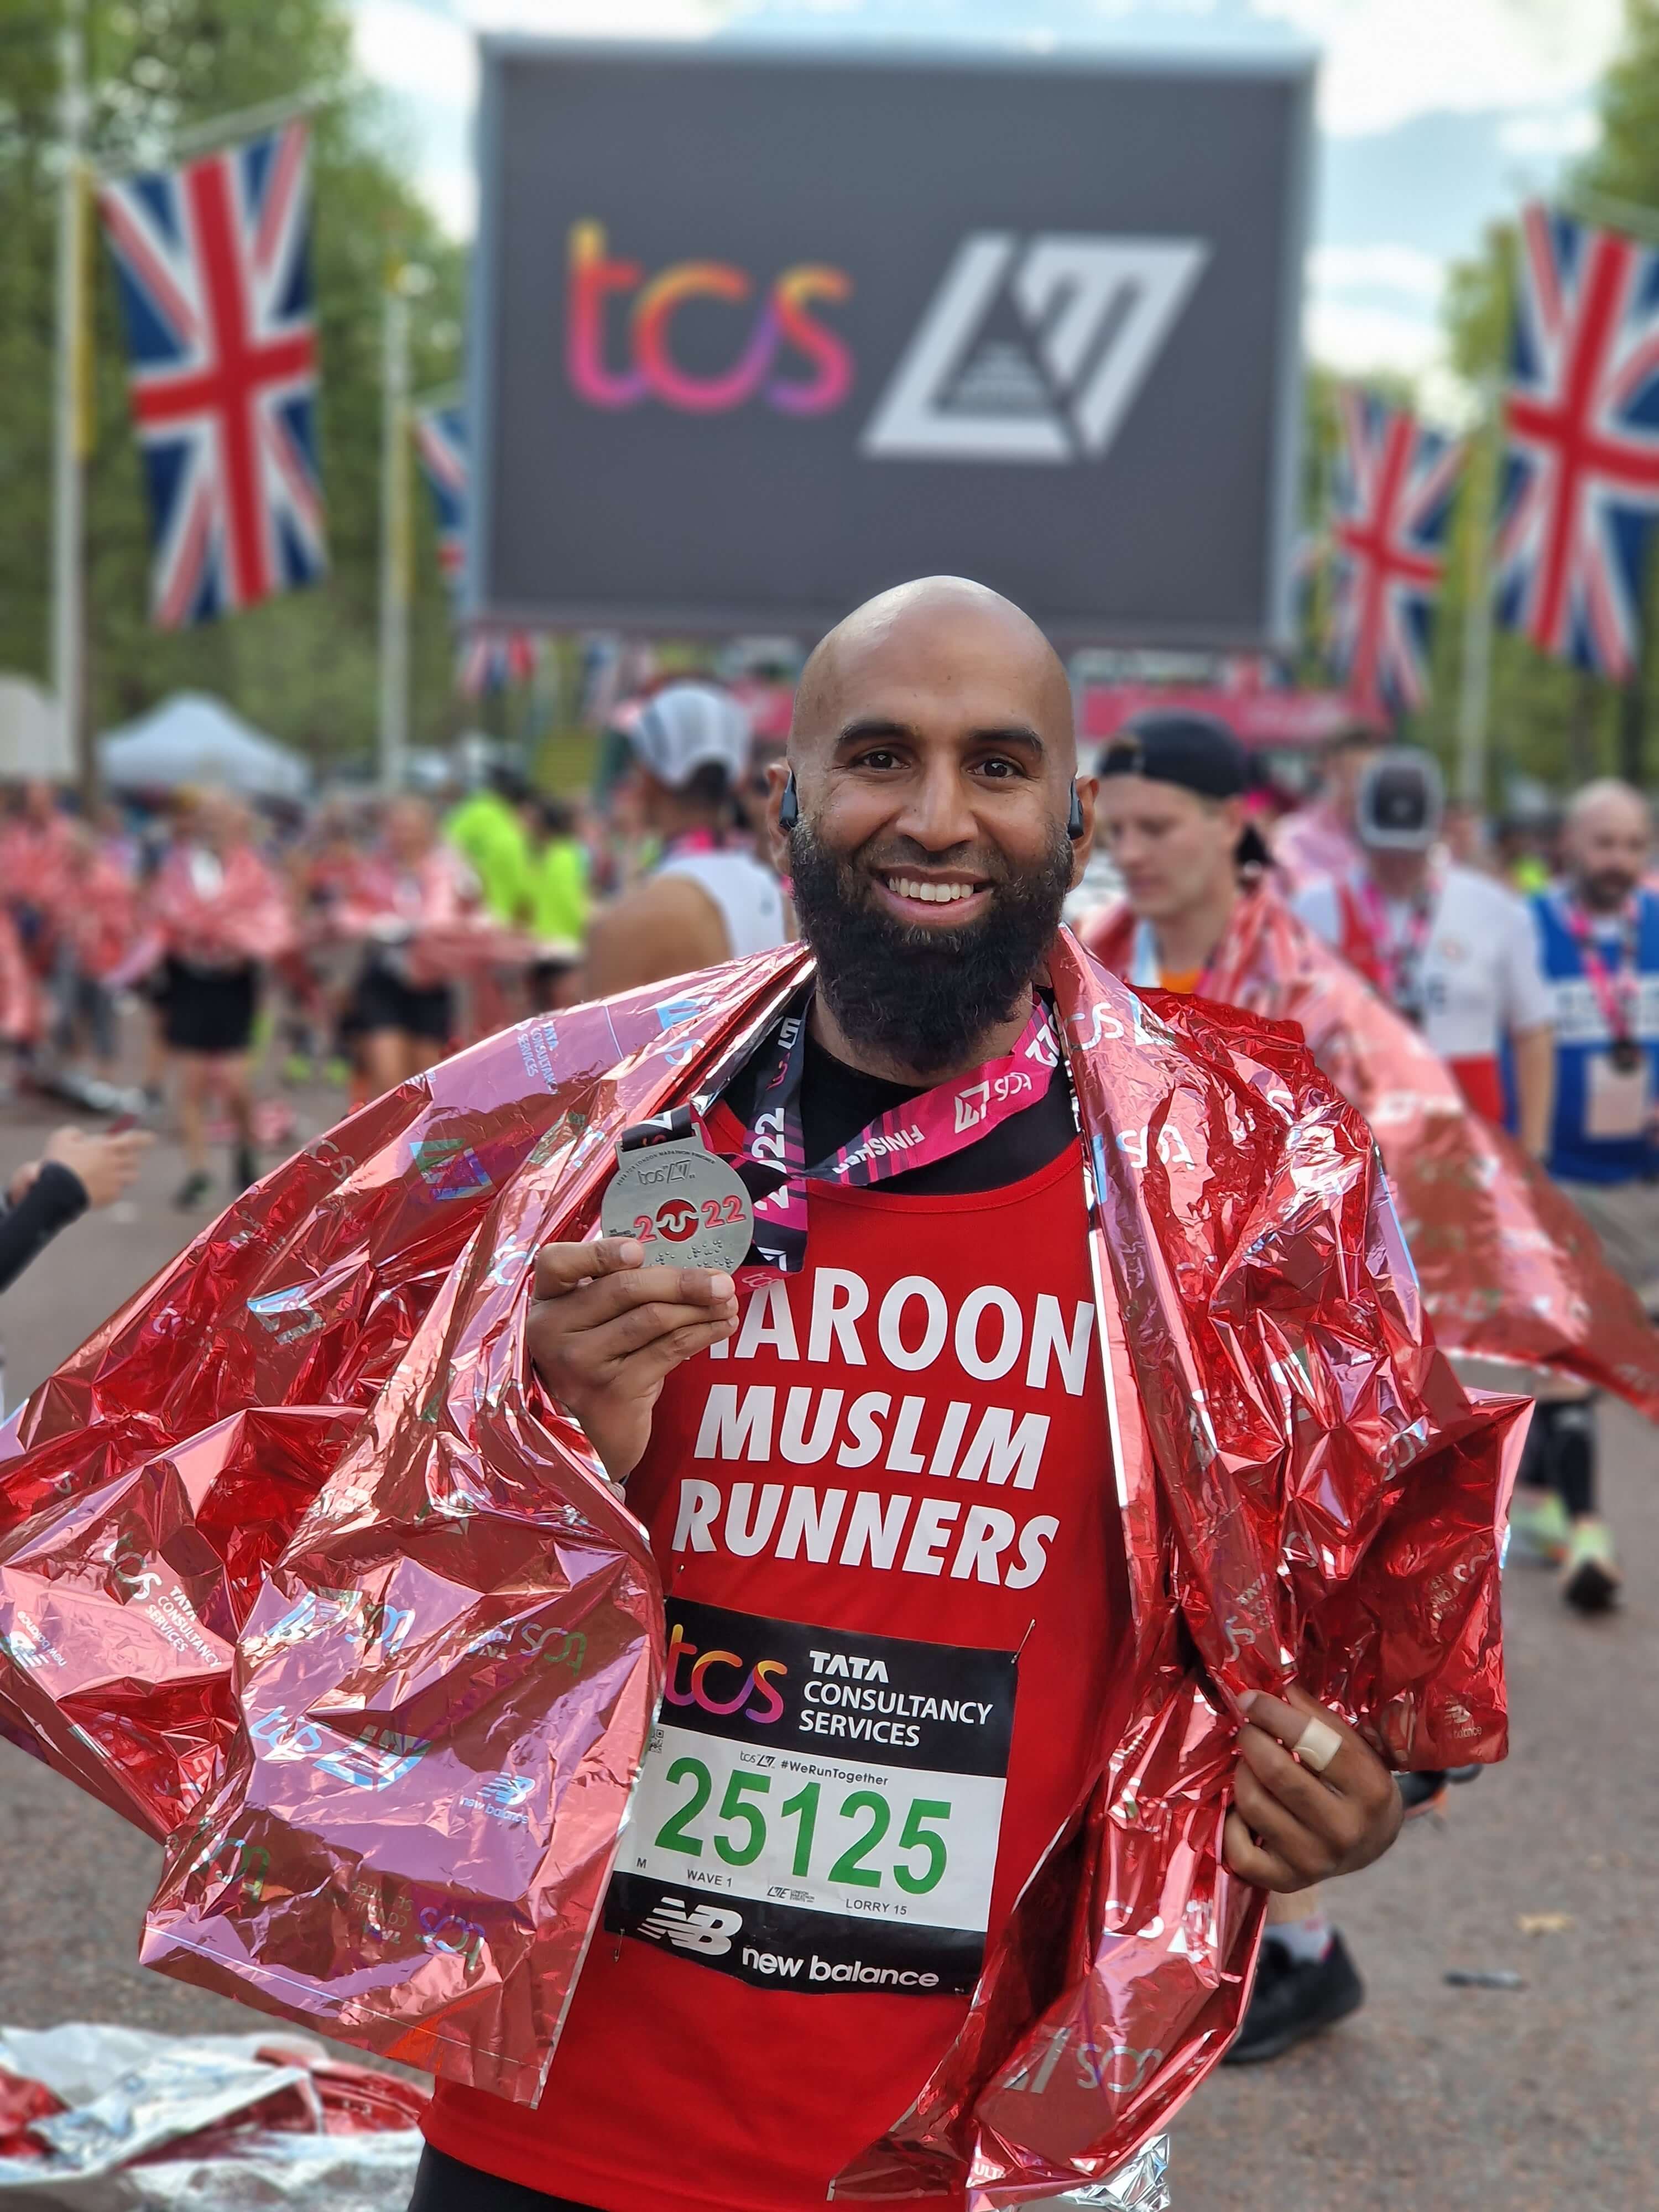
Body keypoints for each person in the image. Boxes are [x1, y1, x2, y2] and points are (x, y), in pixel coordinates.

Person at [403, 581, 1475, 2211]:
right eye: (878, 755)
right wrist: (554, 1457)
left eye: (996, 764)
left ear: (1075, 814)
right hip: (555, 2124)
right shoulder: (587, 1141)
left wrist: (1353, 1798)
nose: (935, 814)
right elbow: (359, 1613)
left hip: (959, 2151)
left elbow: (1353, 1634)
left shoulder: (1224, 1196)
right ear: (788, 798)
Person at [1080, 715, 1461, 2065]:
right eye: (1112, 830)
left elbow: (1376, 1208)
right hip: (1137, 1365)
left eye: (1156, 828)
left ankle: (1292, 1947)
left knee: (1256, 1663)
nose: (1130, 855)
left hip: (1276, 1389)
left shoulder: (1306, 982)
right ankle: (1229, 1933)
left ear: (1234, 821)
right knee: (1157, 1651)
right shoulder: (1104, 957)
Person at [1507, 779, 1659, 1611]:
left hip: (1636, 1186)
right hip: (1553, 1174)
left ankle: (1534, 1505)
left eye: (1633, 846)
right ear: (1568, 845)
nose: (1619, 862)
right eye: (1604, 844)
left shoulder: (1657, 927)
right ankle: (1589, 1534)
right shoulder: (1528, 931)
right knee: (1573, 1354)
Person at [1293, 748, 1556, 1150]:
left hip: (1468, 1145)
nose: (1398, 863)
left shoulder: (1496, 909)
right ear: (1359, 832)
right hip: (1351, 1143)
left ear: (1438, 832)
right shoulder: (1312, 910)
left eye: (1411, 850)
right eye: (1385, 848)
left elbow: (1533, 1028)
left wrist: (1535, 1150)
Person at [581, 682, 790, 995]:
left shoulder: (622, 925)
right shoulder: (786, 905)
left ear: (647, 777)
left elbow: (599, 1044)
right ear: (738, 780)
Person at [149, 791, 295, 1208]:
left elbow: (272, 920)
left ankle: (246, 1152)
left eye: (222, 818)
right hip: (190, 981)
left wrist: (236, 935)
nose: (212, 826)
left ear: (239, 825)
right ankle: (198, 1172)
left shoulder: (256, 870)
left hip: (235, 983)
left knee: (234, 1083)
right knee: (192, 1082)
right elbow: (160, 912)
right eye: (206, 818)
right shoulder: (177, 867)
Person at [336, 798, 480, 1099]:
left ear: (427, 831)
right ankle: (384, 1143)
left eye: (410, 828)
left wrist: (410, 926)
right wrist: (376, 924)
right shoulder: (375, 867)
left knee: (424, 1086)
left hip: (429, 982)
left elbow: (451, 918)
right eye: (396, 828)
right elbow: (349, 913)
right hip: (382, 979)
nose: (403, 836)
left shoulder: (449, 868)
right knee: (388, 1078)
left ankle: (411, 1144)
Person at [1269, 723, 1380, 888]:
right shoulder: (1293, 837)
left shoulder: (1393, 838)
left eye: (1363, 774)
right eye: (1344, 772)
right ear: (1324, 770)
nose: (1355, 787)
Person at [521, 795, 591, 1011]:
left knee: (540, 1009)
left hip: (542, 943)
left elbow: (531, 898)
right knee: (559, 1012)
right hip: (564, 945)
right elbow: (571, 900)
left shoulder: (547, 855)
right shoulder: (568, 855)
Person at [446, 769, 533, 926]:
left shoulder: (481, 812)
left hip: (489, 914)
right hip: (490, 915)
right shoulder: (486, 813)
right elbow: (446, 847)